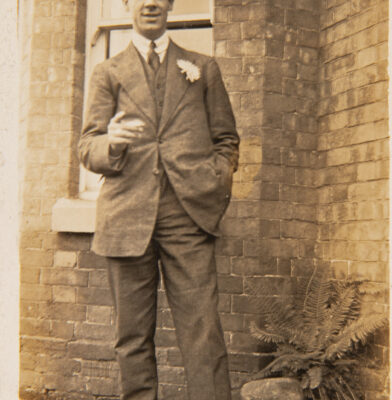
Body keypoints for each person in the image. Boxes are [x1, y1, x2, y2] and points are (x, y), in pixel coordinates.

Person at [78, 0, 239, 399]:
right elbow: (87, 146)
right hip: (126, 216)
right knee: (131, 335)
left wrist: (213, 180)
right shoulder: (108, 72)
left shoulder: (203, 68)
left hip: (189, 215)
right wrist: (111, 144)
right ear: (128, 4)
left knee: (203, 332)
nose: (150, 2)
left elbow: (227, 140)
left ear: (169, 4)